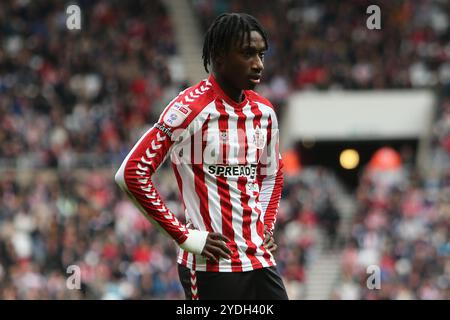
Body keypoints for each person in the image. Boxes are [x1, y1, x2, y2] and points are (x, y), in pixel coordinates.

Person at [115, 12, 288, 300]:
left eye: (261, 54)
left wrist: (267, 225)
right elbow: (132, 173)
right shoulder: (189, 108)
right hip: (212, 265)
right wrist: (184, 236)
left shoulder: (264, 112)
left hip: (259, 260)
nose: (258, 64)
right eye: (247, 54)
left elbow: (272, 173)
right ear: (219, 56)